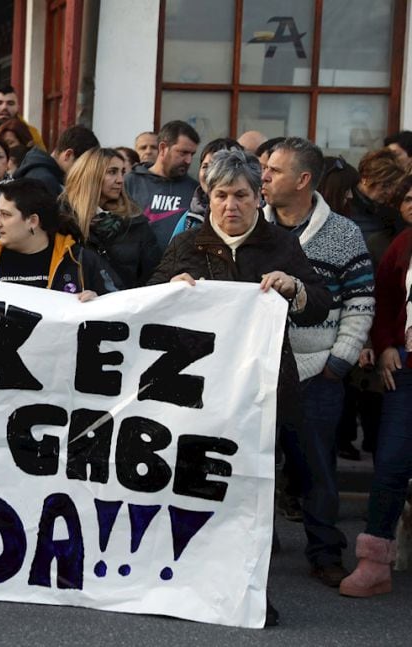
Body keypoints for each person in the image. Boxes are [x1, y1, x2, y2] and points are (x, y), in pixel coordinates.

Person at [148, 149, 331, 627]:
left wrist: (294, 287)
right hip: (200, 395)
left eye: (242, 196)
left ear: (259, 197)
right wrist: (171, 291)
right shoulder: (187, 244)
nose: (231, 205)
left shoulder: (281, 245)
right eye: (221, 195)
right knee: (197, 487)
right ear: (208, 197)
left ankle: (250, 593)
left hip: (262, 392)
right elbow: (147, 302)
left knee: (252, 491)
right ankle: (189, 583)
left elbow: (319, 306)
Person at [261, 137, 376, 587]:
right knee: (253, 464)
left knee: (318, 470)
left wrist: (340, 361)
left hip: (317, 374)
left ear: (304, 180)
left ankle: (325, 552)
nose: (264, 176)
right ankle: (256, 547)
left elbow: (361, 300)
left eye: (274, 170)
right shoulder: (253, 226)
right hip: (259, 372)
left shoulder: (344, 233)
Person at [340, 178, 412, 598]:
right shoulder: (402, 245)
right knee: (390, 463)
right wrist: (385, 344)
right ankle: (375, 562)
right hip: (407, 371)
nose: (410, 205)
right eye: (407, 198)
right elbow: (383, 301)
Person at [0, 177, 116, 299]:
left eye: (5, 214)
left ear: (33, 221)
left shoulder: (79, 260)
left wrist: (98, 303)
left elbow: (119, 306)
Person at [60, 148, 160, 288]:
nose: (120, 180)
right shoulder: (62, 222)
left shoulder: (136, 223)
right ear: (90, 175)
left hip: (124, 306)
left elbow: (154, 276)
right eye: (112, 172)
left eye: (122, 173)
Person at [124, 120, 200, 251]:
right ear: (163, 148)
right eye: (182, 153)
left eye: (192, 154)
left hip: (177, 268)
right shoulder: (131, 182)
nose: (188, 160)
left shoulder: (195, 190)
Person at [169, 138, 243, 237]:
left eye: (216, 166)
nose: (209, 173)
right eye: (205, 166)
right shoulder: (190, 219)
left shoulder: (253, 215)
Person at [345, 149, 406, 267]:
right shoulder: (344, 205)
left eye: (393, 185)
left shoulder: (389, 211)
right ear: (365, 178)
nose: (389, 191)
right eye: (385, 185)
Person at [14, 124, 100, 199]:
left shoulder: (46, 175)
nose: (85, 173)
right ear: (68, 155)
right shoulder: (45, 181)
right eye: (84, 166)